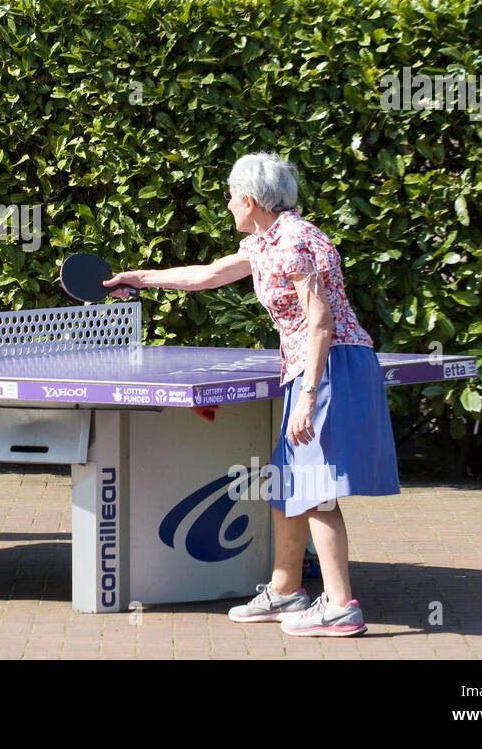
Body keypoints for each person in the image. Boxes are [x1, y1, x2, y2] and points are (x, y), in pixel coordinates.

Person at [104, 152, 398, 637]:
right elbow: (207, 274)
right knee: (287, 483)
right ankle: (285, 591)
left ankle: (342, 606)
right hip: (310, 367)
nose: (226, 206)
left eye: (229, 198)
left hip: (330, 366)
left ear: (248, 200)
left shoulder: (296, 243)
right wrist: (139, 279)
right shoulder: (265, 242)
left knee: (318, 489)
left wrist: (307, 395)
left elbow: (320, 322)